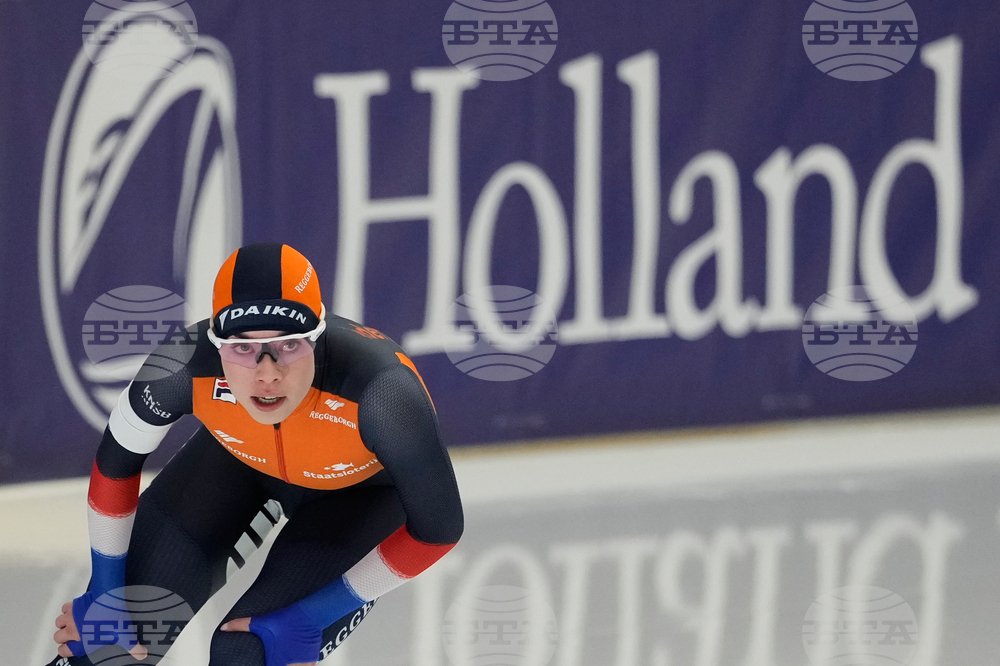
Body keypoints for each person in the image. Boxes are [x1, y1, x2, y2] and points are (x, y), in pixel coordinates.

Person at [48, 242, 464, 666]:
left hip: (358, 499)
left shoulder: (383, 393)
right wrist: (104, 593)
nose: (268, 373)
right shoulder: (181, 365)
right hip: (236, 464)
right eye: (242, 348)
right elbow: (115, 464)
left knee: (248, 653)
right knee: (103, 650)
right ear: (215, 343)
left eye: (288, 346)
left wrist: (312, 616)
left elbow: (439, 528)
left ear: (317, 337)